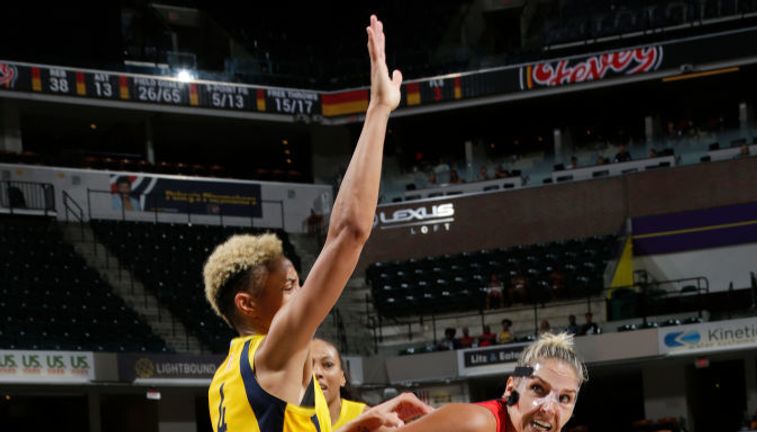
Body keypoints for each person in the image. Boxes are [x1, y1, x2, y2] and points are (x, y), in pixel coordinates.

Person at [205, 16, 431, 432]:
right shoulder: (271, 353)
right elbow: (349, 232)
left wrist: (354, 426)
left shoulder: (229, 377)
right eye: (288, 286)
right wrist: (379, 109)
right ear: (248, 305)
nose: (304, 291)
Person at [394, 332, 588, 432]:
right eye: (537, 388)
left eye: (564, 398)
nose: (549, 409)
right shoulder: (476, 423)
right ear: (510, 388)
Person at [310, 339, 369, 431]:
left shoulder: (366, 418)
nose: (316, 372)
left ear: (342, 377)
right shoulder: (285, 421)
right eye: (307, 366)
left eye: (328, 364)